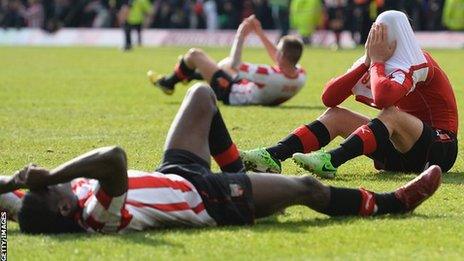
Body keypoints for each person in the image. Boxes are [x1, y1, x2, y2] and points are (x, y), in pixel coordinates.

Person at [0, 83, 442, 234]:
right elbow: (112, 158)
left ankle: (243, 172)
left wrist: (10, 186)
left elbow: (10, 204)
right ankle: (392, 203)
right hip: (209, 200)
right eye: (53, 188)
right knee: (305, 190)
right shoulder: (97, 216)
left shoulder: (36, 209)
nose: (45, 183)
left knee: (200, 96)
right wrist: (53, 172)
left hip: (177, 173)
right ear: (63, 205)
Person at [241, 11, 458, 178]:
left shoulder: (418, 61)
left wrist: (378, 62)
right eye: (376, 35)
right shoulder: (377, 59)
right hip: (402, 151)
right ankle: (273, 155)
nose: (378, 40)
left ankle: (331, 160)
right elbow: (329, 98)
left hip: (440, 149)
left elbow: (384, 99)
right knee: (337, 115)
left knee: (390, 113)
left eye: (382, 36)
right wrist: (365, 63)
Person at [148, 15, 306, 106]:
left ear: (282, 55)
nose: (275, 52)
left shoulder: (268, 74)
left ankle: (169, 83)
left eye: (278, 50)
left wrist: (240, 35)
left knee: (194, 55)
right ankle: (188, 75)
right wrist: (259, 32)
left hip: (230, 91)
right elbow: (282, 60)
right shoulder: (301, 76)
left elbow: (235, 64)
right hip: (250, 90)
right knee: (222, 65)